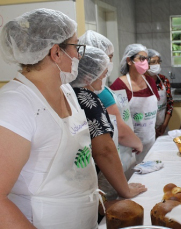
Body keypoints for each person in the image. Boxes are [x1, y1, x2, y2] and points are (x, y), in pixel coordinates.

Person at [0, 9, 98, 228]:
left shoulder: (67, 91)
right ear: (56, 52)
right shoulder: (15, 105)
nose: (79, 55)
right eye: (76, 47)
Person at [70, 46, 146, 202]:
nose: (103, 80)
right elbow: (104, 150)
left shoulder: (69, 93)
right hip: (90, 179)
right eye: (102, 76)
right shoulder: (88, 99)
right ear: (88, 77)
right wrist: (125, 189)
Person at [79, 30, 142, 179]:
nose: (110, 63)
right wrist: (137, 143)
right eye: (109, 58)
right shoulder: (98, 91)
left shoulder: (83, 86)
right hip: (110, 161)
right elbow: (118, 128)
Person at [110, 44, 159, 164]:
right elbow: (115, 120)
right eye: (141, 58)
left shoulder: (150, 82)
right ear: (129, 61)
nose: (145, 62)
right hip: (130, 147)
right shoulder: (119, 85)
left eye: (146, 59)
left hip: (150, 141)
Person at [144, 49, 174, 137]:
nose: (156, 65)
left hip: (162, 127)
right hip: (146, 129)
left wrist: (164, 125)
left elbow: (170, 104)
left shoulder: (164, 80)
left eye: (158, 62)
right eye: (153, 62)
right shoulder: (140, 82)